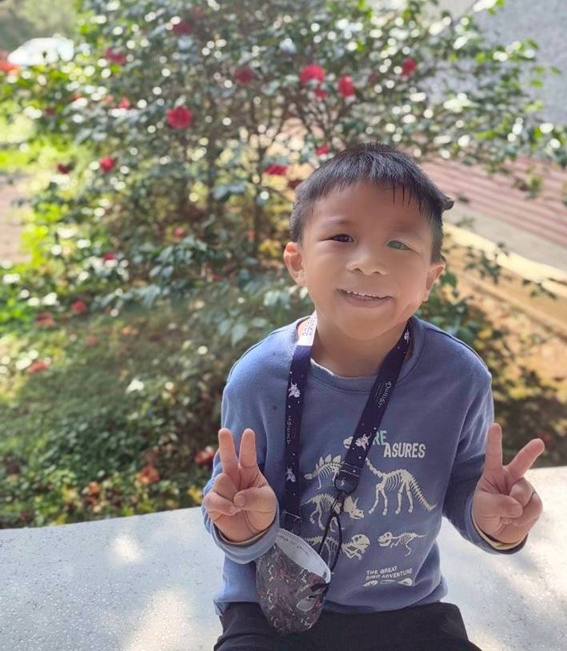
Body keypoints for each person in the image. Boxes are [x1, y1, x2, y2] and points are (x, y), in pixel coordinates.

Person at [202, 142, 544, 650]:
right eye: (342, 237)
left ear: (430, 278)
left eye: (399, 245)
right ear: (297, 261)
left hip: (403, 607)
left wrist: (495, 521)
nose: (368, 263)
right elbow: (227, 500)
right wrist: (239, 526)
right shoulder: (259, 378)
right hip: (270, 603)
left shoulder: (458, 379)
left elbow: (467, 485)